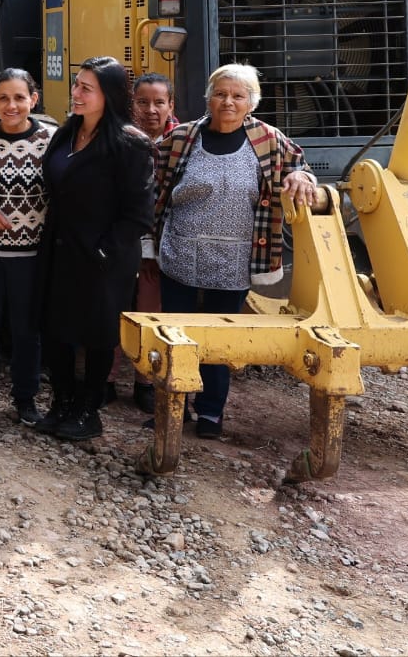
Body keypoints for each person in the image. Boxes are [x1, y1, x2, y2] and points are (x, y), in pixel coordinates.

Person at [153, 63, 316, 439]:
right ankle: (173, 408)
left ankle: (210, 412)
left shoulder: (269, 140)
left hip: (235, 260)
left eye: (238, 95)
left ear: (251, 103)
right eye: (221, 93)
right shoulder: (181, 138)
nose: (228, 101)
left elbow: (301, 166)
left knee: (219, 340)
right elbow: (153, 181)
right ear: (208, 97)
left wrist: (299, 176)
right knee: (174, 334)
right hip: (179, 254)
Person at [34, 56, 154, 441]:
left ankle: (88, 409)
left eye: (87, 87)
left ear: (110, 95)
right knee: (55, 329)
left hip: (104, 258)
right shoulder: (65, 134)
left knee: (98, 333)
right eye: (76, 85)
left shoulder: (130, 144)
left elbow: (138, 213)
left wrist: (105, 251)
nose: (76, 93)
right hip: (58, 248)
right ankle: (62, 401)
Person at [0, 68, 54, 425]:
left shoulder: (52, 139)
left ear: (33, 100)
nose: (11, 105)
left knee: (26, 330)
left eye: (19, 97)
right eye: (2, 98)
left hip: (31, 256)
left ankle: (25, 397)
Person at [121, 72, 179, 411]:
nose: (151, 110)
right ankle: (109, 378)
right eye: (143, 102)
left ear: (172, 105)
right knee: (116, 308)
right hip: (121, 241)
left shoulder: (183, 142)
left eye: (159, 102)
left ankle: (144, 379)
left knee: (149, 310)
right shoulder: (120, 138)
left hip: (161, 246)